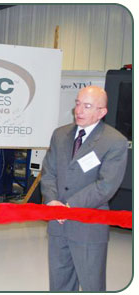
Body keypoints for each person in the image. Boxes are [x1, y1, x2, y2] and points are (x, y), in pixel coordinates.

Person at [40, 85, 128, 291]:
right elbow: (49, 171)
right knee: (59, 284)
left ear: (102, 112)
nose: (78, 111)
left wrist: (69, 206)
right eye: (78, 104)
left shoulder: (114, 142)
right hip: (58, 224)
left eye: (87, 106)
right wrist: (52, 201)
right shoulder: (60, 135)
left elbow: (106, 186)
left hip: (88, 227)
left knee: (91, 285)